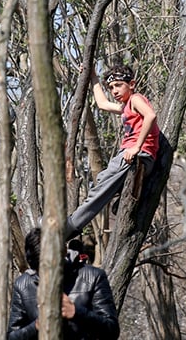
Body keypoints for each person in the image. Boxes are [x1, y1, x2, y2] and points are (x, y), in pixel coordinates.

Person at [66, 64, 160, 239]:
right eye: (111, 87)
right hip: (132, 156)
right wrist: (93, 76)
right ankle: (121, 206)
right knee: (102, 180)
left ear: (131, 84)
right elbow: (102, 104)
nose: (114, 90)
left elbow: (150, 115)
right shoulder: (125, 107)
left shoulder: (136, 99)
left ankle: (71, 226)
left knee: (100, 188)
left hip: (136, 156)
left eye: (118, 85)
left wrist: (136, 147)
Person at [7, 228, 120, 340]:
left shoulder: (93, 277)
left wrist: (76, 313)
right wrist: (37, 326)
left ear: (64, 251)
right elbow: (12, 336)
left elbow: (112, 331)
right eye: (42, 270)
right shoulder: (23, 285)